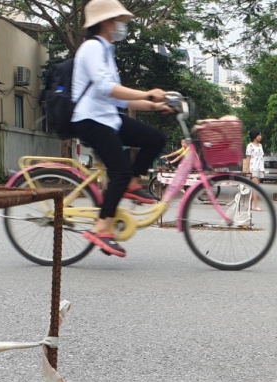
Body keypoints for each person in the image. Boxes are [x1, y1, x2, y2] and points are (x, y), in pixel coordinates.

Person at [71, 0, 172, 258]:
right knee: (119, 171)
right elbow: (106, 88)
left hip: (108, 117)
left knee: (155, 138)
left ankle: (131, 183)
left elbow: (118, 99)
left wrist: (155, 105)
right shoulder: (92, 48)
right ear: (105, 22)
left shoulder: (106, 50)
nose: (120, 26)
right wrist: (148, 94)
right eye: (117, 21)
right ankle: (102, 228)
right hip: (90, 119)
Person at [245, 129, 265, 211]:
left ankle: (249, 204)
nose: (260, 137)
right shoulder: (250, 146)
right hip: (253, 168)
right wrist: (248, 170)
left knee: (256, 187)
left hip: (259, 168)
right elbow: (248, 159)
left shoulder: (260, 146)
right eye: (259, 135)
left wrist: (263, 169)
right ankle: (256, 205)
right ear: (254, 136)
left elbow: (261, 158)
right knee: (256, 188)